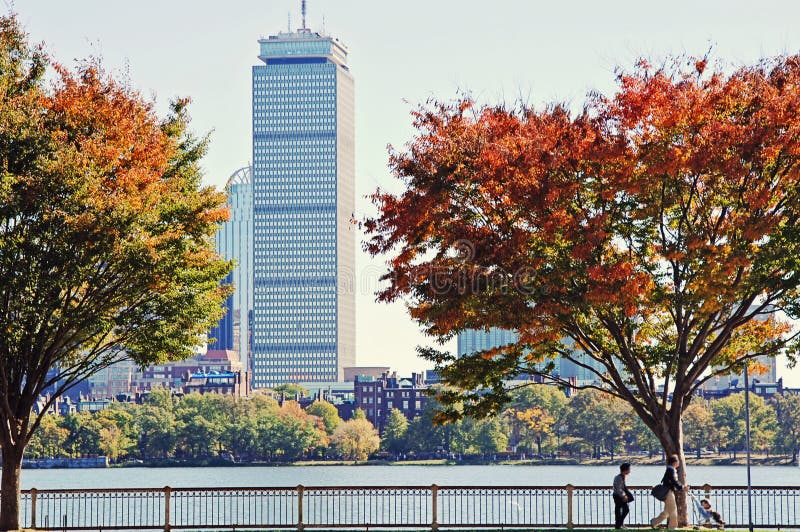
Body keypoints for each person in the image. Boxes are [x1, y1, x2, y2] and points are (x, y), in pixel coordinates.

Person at [650, 454, 689, 529]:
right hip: (668, 492)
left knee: (667, 512)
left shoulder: (670, 469)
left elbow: (674, 481)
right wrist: (682, 487)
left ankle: (654, 522)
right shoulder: (671, 470)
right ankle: (672, 527)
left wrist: (681, 487)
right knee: (673, 509)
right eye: (678, 461)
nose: (679, 463)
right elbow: (674, 481)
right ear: (675, 462)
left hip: (668, 491)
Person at [613, 462, 634, 529]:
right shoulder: (618, 478)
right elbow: (618, 489)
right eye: (629, 469)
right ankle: (618, 525)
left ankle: (619, 524)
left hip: (619, 496)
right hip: (618, 496)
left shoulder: (622, 476)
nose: (629, 471)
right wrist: (624, 496)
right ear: (625, 470)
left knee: (623, 510)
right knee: (622, 510)